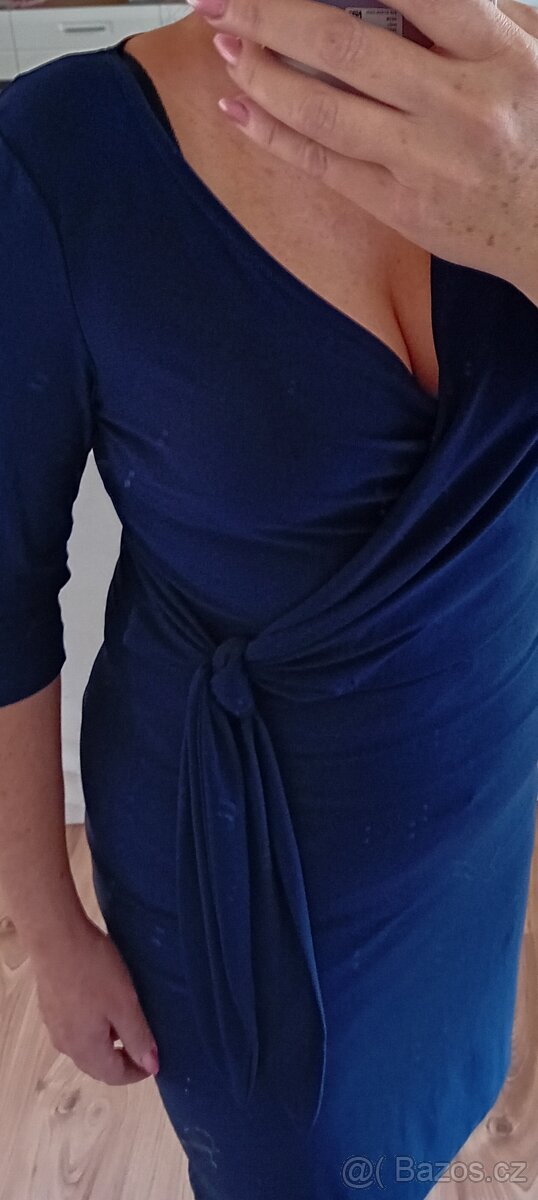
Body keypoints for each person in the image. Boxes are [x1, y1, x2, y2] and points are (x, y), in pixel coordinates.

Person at [1, 7, 538, 1199]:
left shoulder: (523, 96)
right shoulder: (58, 158)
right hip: (247, 888)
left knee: (419, 1141)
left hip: (479, 812)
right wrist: (49, 926)